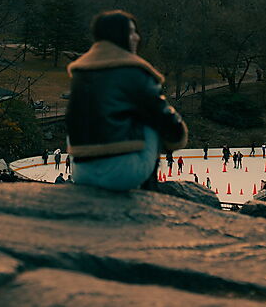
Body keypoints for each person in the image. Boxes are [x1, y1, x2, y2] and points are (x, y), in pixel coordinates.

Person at [66, 10, 188, 192]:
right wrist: (177, 138)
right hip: (123, 173)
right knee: (150, 118)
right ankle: (149, 188)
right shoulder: (134, 71)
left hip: (81, 173)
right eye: (131, 32)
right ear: (119, 36)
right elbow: (162, 116)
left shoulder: (80, 72)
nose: (137, 37)